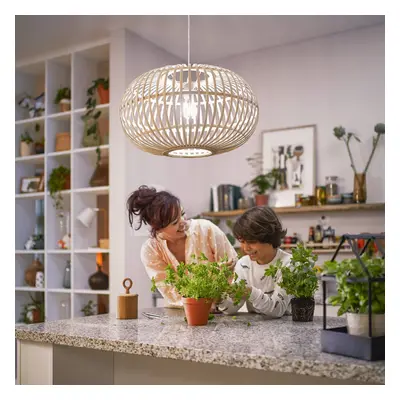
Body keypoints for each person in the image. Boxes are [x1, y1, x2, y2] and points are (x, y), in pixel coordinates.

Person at [127, 185, 238, 308]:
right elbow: (170, 291)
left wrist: (219, 297)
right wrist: (213, 278)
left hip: (223, 309)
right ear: (157, 227)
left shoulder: (206, 229)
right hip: (181, 313)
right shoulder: (151, 250)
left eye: (182, 214)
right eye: (175, 222)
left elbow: (233, 269)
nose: (183, 222)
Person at [217, 206, 292, 317]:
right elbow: (231, 308)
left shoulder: (288, 264)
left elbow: (278, 309)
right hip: (254, 326)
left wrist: (250, 292)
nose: (245, 248)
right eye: (242, 241)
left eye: (251, 241)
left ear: (269, 237)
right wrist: (219, 295)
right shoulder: (243, 264)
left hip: (286, 326)